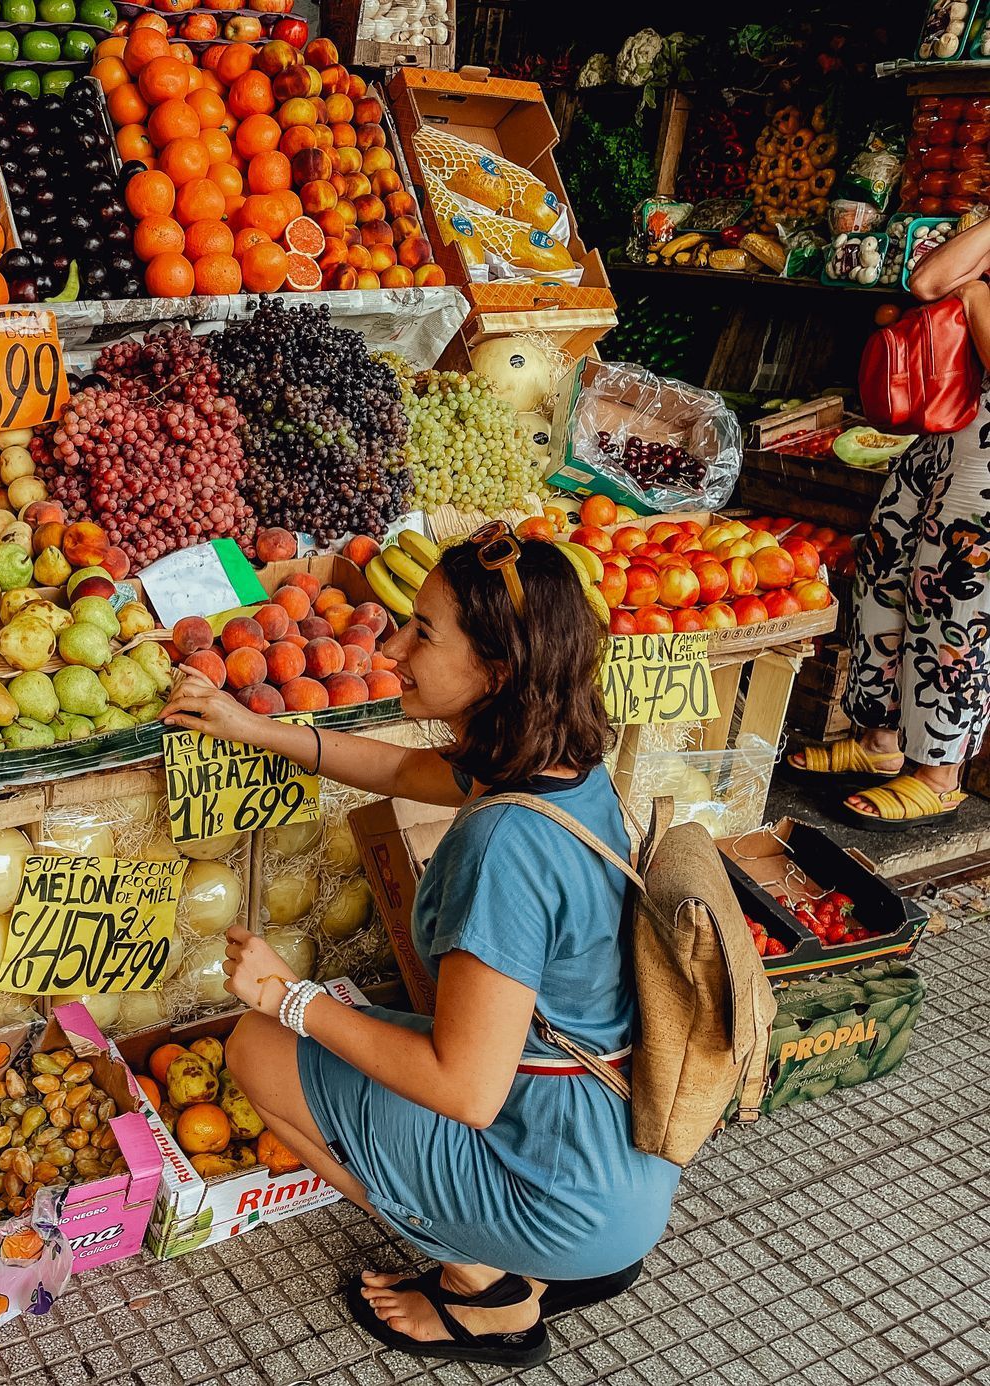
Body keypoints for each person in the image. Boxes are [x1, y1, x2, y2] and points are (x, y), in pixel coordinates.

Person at [159, 525, 675, 1369]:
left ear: (497, 672)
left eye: (422, 632)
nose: (393, 647)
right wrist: (250, 726)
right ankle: (528, 1256)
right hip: (611, 1153)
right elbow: (400, 774)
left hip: (562, 1193)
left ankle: (487, 1290)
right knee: (336, 1025)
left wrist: (288, 997)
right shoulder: (559, 771)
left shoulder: (505, 847)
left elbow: (464, 1091)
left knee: (258, 1048)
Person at [785, 219, 990, 828]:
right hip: (946, 440)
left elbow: (959, 293)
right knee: (883, 568)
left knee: (955, 603)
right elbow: (929, 280)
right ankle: (881, 741)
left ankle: (939, 771)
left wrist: (976, 295)